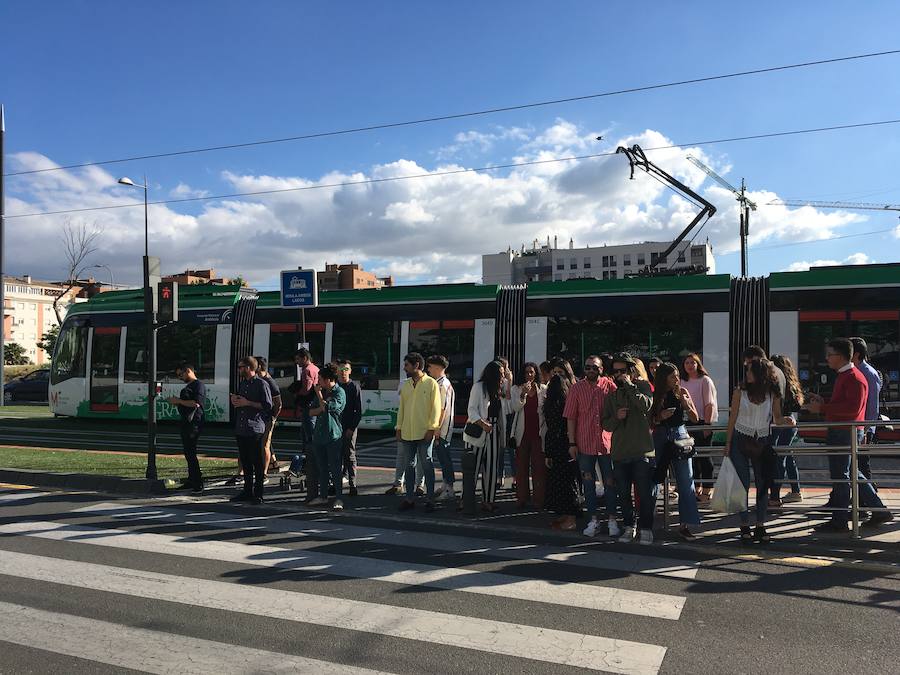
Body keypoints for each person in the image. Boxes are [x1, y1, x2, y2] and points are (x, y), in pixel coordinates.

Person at [804, 338, 892, 530]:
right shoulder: (848, 375)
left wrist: (822, 407)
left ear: (842, 356)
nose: (827, 358)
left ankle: (840, 520)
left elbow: (852, 409)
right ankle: (878, 510)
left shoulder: (853, 377)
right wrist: (823, 401)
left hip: (844, 432)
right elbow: (847, 405)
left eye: (830, 354)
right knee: (853, 473)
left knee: (841, 476)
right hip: (844, 431)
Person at [723, 359, 794, 544]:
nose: (746, 374)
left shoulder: (773, 393)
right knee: (743, 483)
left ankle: (760, 525)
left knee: (763, 484)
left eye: (750, 371)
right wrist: (728, 442)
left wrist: (787, 420)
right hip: (740, 438)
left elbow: (777, 419)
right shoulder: (740, 392)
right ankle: (745, 524)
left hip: (762, 439)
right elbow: (732, 418)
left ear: (759, 374)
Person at [603, 353, 655, 544]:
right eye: (616, 372)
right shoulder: (612, 396)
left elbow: (646, 406)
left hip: (641, 451)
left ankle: (647, 528)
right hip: (620, 452)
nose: (619, 375)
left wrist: (631, 386)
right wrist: (617, 416)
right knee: (624, 494)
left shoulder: (642, 387)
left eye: (622, 371)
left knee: (644, 492)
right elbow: (606, 425)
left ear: (631, 371)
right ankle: (629, 526)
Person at [564, 354, 619, 538]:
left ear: (601, 369)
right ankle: (593, 520)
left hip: (606, 443)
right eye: (587, 367)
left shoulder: (609, 386)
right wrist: (572, 443)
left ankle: (612, 519)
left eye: (594, 367)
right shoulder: (576, 388)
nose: (590, 370)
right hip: (584, 443)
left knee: (610, 483)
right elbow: (571, 417)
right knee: (588, 484)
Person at [651, 362, 701, 541]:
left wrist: (686, 404)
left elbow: (695, 418)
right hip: (661, 435)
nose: (676, 379)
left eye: (677, 375)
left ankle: (685, 524)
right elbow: (649, 421)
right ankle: (647, 521)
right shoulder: (655, 394)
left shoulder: (683, 392)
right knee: (655, 477)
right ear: (664, 378)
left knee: (685, 480)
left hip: (680, 434)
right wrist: (660, 417)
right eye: (672, 376)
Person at [395, 352, 442, 512]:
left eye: (407, 365)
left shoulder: (431, 384)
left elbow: (436, 409)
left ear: (416, 365)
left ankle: (430, 499)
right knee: (409, 466)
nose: (404, 368)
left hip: (424, 433)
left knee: (427, 465)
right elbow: (401, 408)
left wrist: (432, 428)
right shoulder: (406, 385)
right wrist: (398, 427)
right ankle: (409, 499)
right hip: (407, 432)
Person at [464, 360, 507, 513]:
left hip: (494, 430)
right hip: (478, 430)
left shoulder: (499, 389)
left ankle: (488, 500)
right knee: (473, 468)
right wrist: (483, 424)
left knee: (491, 467)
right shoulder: (479, 387)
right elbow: (471, 410)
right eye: (501, 374)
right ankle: (467, 500)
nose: (503, 376)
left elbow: (506, 409)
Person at [229, 356, 273, 505]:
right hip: (242, 427)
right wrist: (236, 401)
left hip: (255, 427)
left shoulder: (262, 384)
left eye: (241, 367)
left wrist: (248, 403)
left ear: (249, 368)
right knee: (245, 461)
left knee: (257, 462)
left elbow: (268, 406)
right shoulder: (243, 384)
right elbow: (242, 401)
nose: (239, 369)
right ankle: (247, 491)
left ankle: (258, 493)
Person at [542, 359, 579, 530]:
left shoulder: (571, 392)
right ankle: (566, 515)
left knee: (566, 482)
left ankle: (570, 517)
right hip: (560, 443)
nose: (557, 376)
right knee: (563, 481)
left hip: (565, 443)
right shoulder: (554, 397)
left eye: (560, 372)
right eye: (554, 373)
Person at [308, 363, 347, 510]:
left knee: (335, 468)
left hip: (333, 435)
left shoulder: (339, 392)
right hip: (319, 435)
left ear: (328, 379)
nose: (318, 382)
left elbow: (328, 408)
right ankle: (323, 496)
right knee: (322, 468)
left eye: (320, 379)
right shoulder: (323, 391)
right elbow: (311, 412)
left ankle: (339, 498)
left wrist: (319, 396)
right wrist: (320, 406)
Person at [680, 353, 718, 502]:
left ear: (698, 364)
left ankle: (707, 490)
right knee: (692, 457)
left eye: (692, 362)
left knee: (705, 458)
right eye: (687, 363)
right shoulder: (682, 381)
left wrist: (707, 424)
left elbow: (709, 403)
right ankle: (696, 488)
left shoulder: (705, 380)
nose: (690, 365)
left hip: (703, 421)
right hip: (687, 422)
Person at [509, 362, 547, 509]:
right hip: (522, 434)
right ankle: (522, 497)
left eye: (532, 372)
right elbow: (515, 407)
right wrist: (523, 393)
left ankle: (539, 499)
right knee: (521, 467)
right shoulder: (515, 389)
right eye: (526, 372)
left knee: (539, 468)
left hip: (538, 433)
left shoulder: (543, 389)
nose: (529, 375)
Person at [769, 354, 804, 505]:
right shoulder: (792, 383)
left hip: (777, 424)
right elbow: (797, 405)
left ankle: (775, 496)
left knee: (779, 459)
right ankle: (796, 491)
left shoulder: (775, 383)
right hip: (790, 424)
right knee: (787, 456)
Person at [167, 363, 206, 493]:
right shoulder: (191, 386)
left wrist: (178, 401)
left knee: (191, 452)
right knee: (188, 453)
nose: (180, 377)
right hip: (187, 422)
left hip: (193, 423)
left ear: (188, 371)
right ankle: (192, 480)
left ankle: (197, 482)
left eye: (181, 374)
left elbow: (196, 403)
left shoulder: (198, 385)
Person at [850, 337, 882, 483]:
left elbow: (872, 407)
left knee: (862, 465)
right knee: (857, 465)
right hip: (859, 429)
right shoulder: (857, 371)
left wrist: (867, 430)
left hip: (865, 430)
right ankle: (862, 498)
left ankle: (868, 499)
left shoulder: (869, 373)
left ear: (856, 354)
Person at [426, 354, 457, 502]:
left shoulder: (442, 385)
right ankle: (446, 485)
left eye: (430, 366)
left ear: (438, 368)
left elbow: (442, 409)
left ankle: (449, 488)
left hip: (442, 429)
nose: (428, 369)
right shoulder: (442, 382)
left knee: (445, 458)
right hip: (443, 428)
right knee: (443, 457)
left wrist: (437, 428)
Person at [335, 359, 362, 497]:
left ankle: (353, 485)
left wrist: (352, 428)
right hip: (335, 428)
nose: (343, 372)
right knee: (336, 456)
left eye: (346, 369)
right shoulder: (335, 386)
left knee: (350, 455)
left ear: (350, 371)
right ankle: (335, 484)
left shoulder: (354, 387)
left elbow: (359, 410)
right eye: (341, 369)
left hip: (349, 427)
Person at [255, 356, 283, 482]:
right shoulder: (259, 380)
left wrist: (273, 418)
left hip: (267, 417)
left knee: (264, 444)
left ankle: (264, 472)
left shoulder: (270, 382)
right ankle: (273, 463)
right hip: (260, 418)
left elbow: (278, 403)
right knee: (264, 443)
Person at [289, 348, 319, 451]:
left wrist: (296, 392)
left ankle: (308, 455)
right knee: (310, 429)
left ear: (305, 358)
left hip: (308, 404)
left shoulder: (307, 370)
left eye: (298, 359)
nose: (296, 362)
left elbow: (306, 389)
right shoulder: (315, 368)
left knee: (308, 432)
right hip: (314, 402)